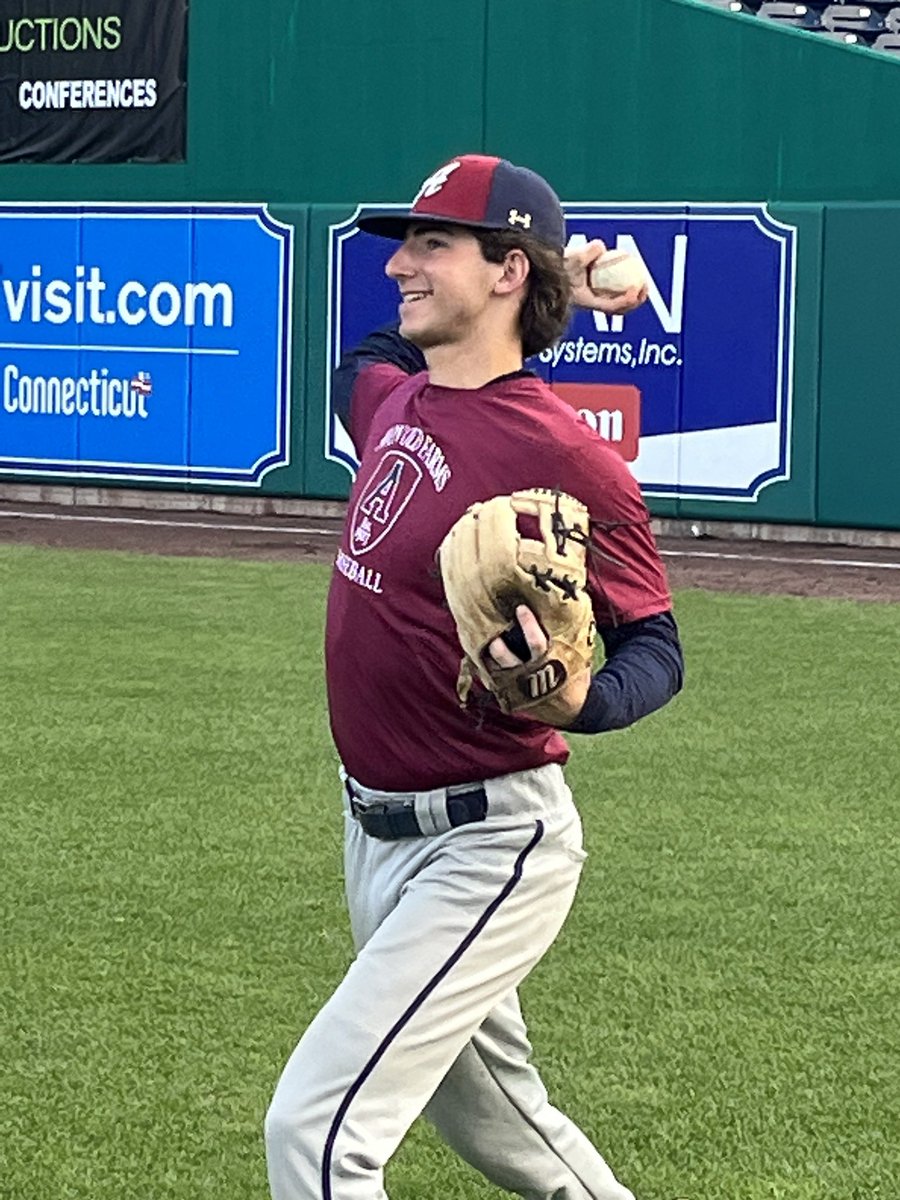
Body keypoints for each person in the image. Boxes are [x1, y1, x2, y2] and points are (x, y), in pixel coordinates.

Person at [265, 154, 684, 1200]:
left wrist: (580, 700)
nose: (401, 262)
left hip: (491, 843)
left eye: (430, 243)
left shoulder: (565, 454)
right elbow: (351, 362)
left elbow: (659, 647)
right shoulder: (398, 401)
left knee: (314, 1134)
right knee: (505, 1129)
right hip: (376, 835)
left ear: (502, 271)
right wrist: (569, 293)